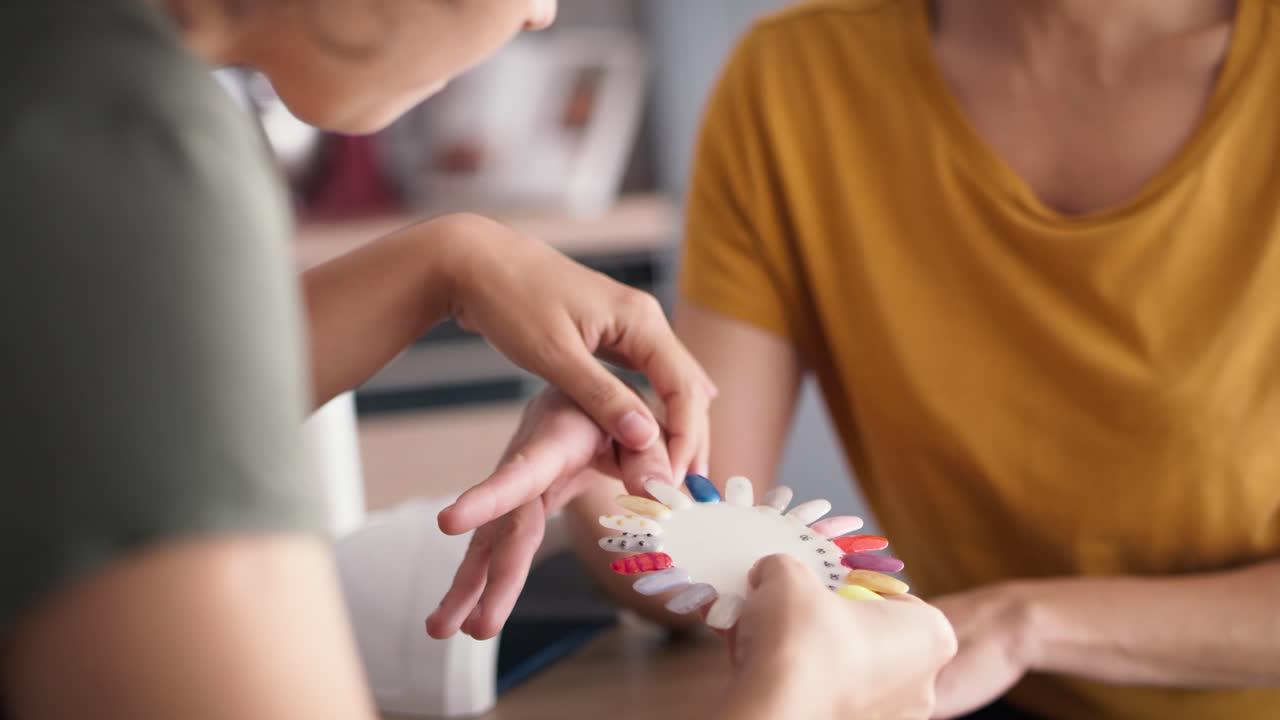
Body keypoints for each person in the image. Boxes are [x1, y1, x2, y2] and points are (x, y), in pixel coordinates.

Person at [0, 0, 953, 718]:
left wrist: (444, 263)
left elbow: (88, 428)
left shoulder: (60, 62)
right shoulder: (115, 138)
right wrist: (801, 693)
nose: (542, 12)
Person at [436, 0, 1280, 718]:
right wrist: (601, 463)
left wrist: (1026, 622)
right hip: (950, 692)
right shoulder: (798, 83)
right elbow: (702, 527)